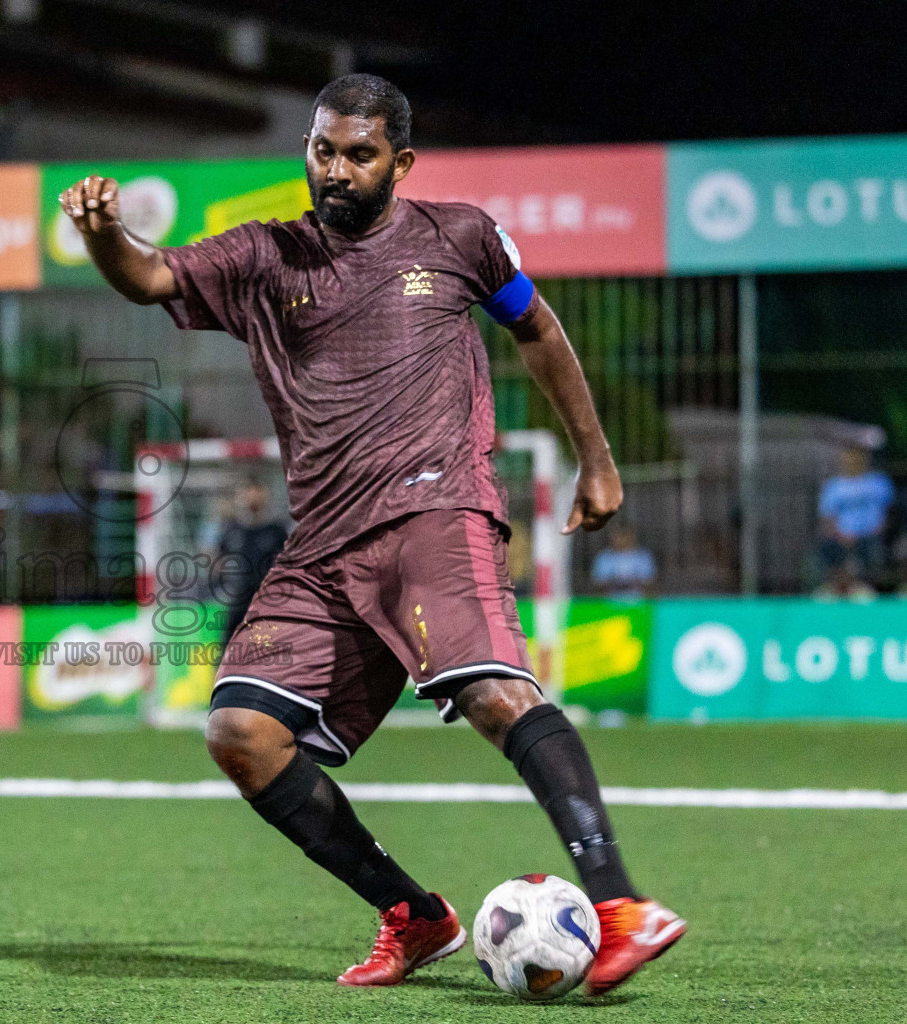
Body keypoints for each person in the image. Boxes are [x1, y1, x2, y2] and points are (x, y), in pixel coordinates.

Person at [59, 74, 683, 996]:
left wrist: (594, 459)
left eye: (358, 154)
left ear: (400, 161)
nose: (336, 169)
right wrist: (105, 233)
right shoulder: (265, 256)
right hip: (321, 547)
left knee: (493, 696)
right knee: (241, 731)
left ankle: (622, 904)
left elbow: (539, 332)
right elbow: (151, 275)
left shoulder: (460, 236)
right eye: (322, 151)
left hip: (438, 510)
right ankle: (414, 913)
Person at [214, 477, 290, 646]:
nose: (252, 497)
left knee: (267, 647)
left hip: (267, 602)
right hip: (238, 601)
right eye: (248, 492)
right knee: (230, 648)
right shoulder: (232, 530)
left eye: (257, 492)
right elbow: (217, 562)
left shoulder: (276, 531)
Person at [817, 445, 894, 584]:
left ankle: (871, 587)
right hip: (841, 538)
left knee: (873, 549)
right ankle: (838, 588)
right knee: (829, 549)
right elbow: (827, 517)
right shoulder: (833, 486)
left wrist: (876, 530)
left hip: (873, 536)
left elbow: (890, 514)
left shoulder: (879, 482)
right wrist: (840, 535)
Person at [590, 523, 657, 600]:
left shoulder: (643, 556)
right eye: (618, 536)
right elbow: (599, 583)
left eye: (625, 535)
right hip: (609, 603)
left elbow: (649, 582)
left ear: (632, 536)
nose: (621, 539)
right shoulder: (604, 557)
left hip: (637, 602)